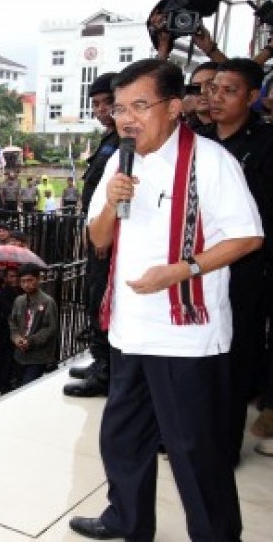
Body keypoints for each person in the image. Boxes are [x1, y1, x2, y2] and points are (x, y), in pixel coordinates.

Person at [69, 58, 262, 541]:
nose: (127, 118)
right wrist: (111, 202)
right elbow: (97, 239)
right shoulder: (120, 159)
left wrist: (184, 269)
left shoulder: (212, 161)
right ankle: (126, 519)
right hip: (131, 327)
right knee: (123, 438)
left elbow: (248, 237)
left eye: (140, 105)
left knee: (194, 450)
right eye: (119, 108)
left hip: (186, 334)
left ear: (175, 107)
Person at [201, 58, 273, 463]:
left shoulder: (265, 144)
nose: (216, 98)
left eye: (229, 90)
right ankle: (189, 434)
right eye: (213, 89)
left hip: (246, 267)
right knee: (196, 355)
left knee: (234, 356)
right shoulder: (197, 140)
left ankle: (224, 447)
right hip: (196, 264)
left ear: (252, 96)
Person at [64, 71, 119, 398]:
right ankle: (100, 362)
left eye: (106, 103)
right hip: (97, 231)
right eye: (95, 103)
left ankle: (106, 371)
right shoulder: (109, 139)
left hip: (106, 237)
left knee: (100, 298)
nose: (100, 110)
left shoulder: (124, 142)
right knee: (92, 295)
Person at [9, 263, 58, 386]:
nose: (26, 284)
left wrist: (31, 341)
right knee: (17, 387)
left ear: (38, 279)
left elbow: (50, 328)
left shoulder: (47, 302)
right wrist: (16, 338)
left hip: (38, 356)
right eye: (23, 281)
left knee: (28, 387)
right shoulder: (19, 301)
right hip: (19, 355)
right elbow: (12, 322)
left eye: (30, 280)